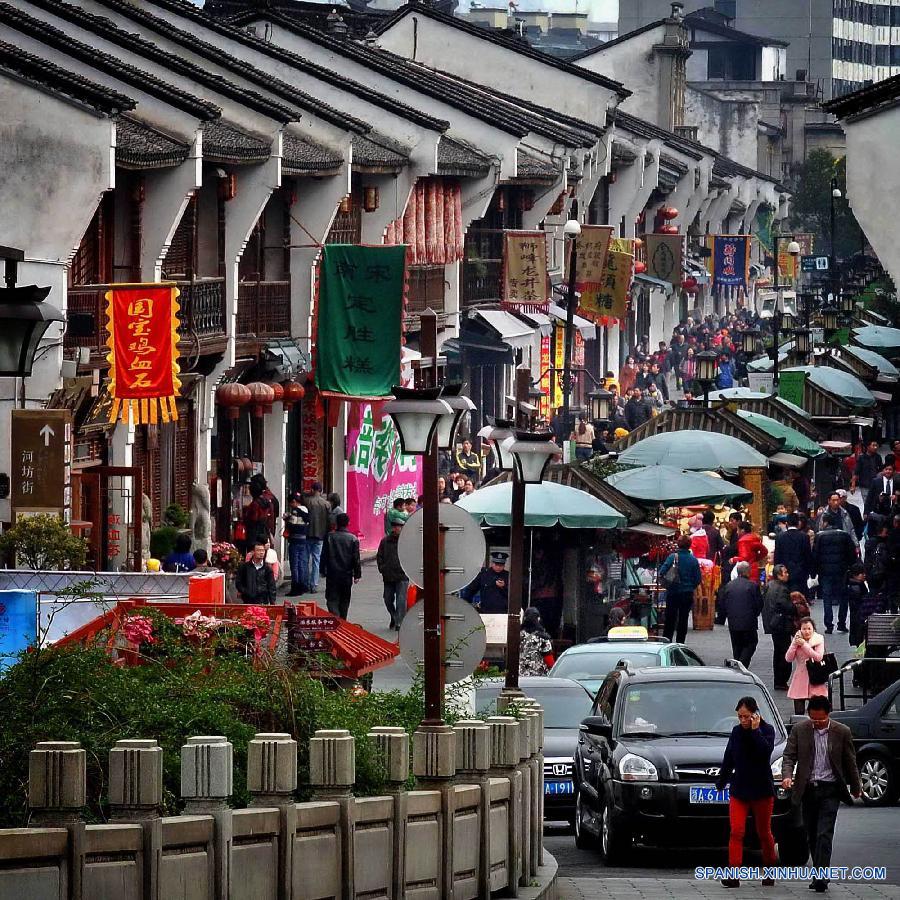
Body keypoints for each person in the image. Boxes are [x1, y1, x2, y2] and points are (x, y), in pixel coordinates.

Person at [781, 695, 861, 893]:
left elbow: (850, 760)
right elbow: (789, 756)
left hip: (830, 789)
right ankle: (818, 872)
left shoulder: (841, 732)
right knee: (812, 834)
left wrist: (856, 785)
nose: (817, 723)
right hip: (808, 789)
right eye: (813, 719)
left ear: (828, 715)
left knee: (824, 833)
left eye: (821, 720)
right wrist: (787, 775)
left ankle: (821, 877)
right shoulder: (800, 730)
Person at [715, 696, 778, 888]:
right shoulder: (735, 733)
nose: (743, 721)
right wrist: (721, 781)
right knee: (736, 831)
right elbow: (729, 758)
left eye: (746, 717)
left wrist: (755, 731)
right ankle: (734, 873)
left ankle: (769, 869)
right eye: (740, 717)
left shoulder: (767, 731)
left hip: (761, 789)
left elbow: (764, 752)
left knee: (764, 833)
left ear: (755, 715)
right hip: (740, 789)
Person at [812, 512, 856, 634]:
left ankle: (829, 624)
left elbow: (815, 555)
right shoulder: (845, 536)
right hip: (842, 571)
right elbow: (851, 555)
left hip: (825, 572)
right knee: (843, 597)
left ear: (825, 522)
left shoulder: (820, 536)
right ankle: (841, 623)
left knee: (827, 597)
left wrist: (813, 572)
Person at [657, 535, 702, 644]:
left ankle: (667, 642)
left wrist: (667, 583)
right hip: (687, 593)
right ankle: (680, 643)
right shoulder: (693, 560)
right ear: (689, 545)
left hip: (673, 592)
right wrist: (690, 586)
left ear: (678, 544)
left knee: (670, 618)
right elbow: (698, 579)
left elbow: (661, 572)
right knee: (683, 618)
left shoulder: (672, 557)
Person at [720, 561, 763, 667]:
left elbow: (722, 603)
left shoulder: (729, 585)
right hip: (749, 621)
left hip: (733, 621)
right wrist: (755, 614)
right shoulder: (752, 586)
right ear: (748, 572)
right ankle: (742, 664)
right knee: (751, 643)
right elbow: (759, 603)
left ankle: (738, 664)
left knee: (736, 645)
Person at [321, 512, 361, 619]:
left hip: (332, 573)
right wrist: (357, 574)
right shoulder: (353, 539)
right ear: (348, 523)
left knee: (332, 598)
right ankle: (342, 620)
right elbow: (356, 558)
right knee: (345, 599)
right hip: (346, 574)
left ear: (336, 523)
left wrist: (322, 570)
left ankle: (335, 617)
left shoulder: (329, 537)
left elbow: (324, 555)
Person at [785, 616, 828, 715]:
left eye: (809, 629)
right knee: (799, 713)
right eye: (804, 629)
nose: (807, 631)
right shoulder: (797, 640)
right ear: (800, 630)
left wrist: (804, 645)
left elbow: (818, 657)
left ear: (813, 629)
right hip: (800, 679)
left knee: (815, 713)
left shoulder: (819, 640)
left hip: (816, 679)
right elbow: (788, 658)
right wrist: (795, 644)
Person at [763, 564, 795, 689]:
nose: (787, 574)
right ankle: (781, 680)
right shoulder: (782, 589)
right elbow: (786, 606)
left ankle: (778, 680)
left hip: (772, 623)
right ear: (779, 575)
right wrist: (794, 608)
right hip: (781, 624)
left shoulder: (770, 585)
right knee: (784, 653)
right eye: (785, 572)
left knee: (778, 652)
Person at [377, 518, 408, 630]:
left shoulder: (406, 541)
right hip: (388, 575)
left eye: (399, 526)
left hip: (402, 575)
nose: (396, 528)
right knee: (387, 599)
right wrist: (382, 568)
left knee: (401, 600)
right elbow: (379, 556)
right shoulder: (385, 541)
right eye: (394, 526)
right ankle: (394, 617)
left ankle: (399, 622)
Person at [774, 513, 814, 596]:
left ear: (787, 523)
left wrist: (777, 572)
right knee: (799, 599)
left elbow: (777, 556)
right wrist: (810, 572)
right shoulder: (804, 537)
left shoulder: (780, 537)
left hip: (784, 572)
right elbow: (808, 556)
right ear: (798, 523)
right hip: (801, 573)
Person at [305, 482, 331, 592]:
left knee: (306, 559)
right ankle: (314, 584)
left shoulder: (307, 502)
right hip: (320, 535)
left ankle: (306, 583)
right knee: (316, 560)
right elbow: (329, 521)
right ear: (321, 490)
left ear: (312, 489)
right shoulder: (326, 504)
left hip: (307, 534)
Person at [283, 492, 310, 596]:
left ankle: (295, 587)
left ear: (294, 501)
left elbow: (292, 525)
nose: (290, 505)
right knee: (301, 563)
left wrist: (286, 520)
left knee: (294, 564)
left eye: (290, 503)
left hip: (295, 540)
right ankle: (302, 585)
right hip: (303, 539)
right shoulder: (306, 510)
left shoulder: (295, 511)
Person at [235, 540, 277, 605]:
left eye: (263, 550)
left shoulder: (267, 568)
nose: (261, 553)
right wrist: (245, 591)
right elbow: (238, 582)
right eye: (259, 550)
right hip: (248, 601)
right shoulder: (244, 567)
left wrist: (272, 602)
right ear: (253, 552)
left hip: (263, 601)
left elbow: (272, 586)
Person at [519, 607, 555, 676]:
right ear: (538, 619)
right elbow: (549, 659)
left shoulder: (517, 635)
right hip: (538, 677)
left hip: (520, 675)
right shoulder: (542, 638)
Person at [847, 562, 872, 648]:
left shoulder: (856, 585)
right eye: (862, 573)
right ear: (856, 575)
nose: (864, 575)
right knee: (860, 636)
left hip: (856, 616)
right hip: (858, 617)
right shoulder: (857, 587)